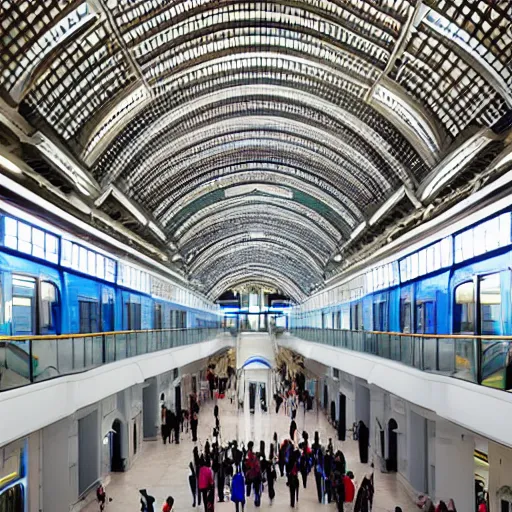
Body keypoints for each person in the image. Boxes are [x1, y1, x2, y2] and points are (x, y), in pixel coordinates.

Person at [312, 432, 324, 503]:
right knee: (321, 484)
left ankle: (320, 497)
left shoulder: (313, 446)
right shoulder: (320, 447)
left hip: (316, 469)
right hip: (320, 470)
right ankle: (321, 497)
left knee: (318, 484)